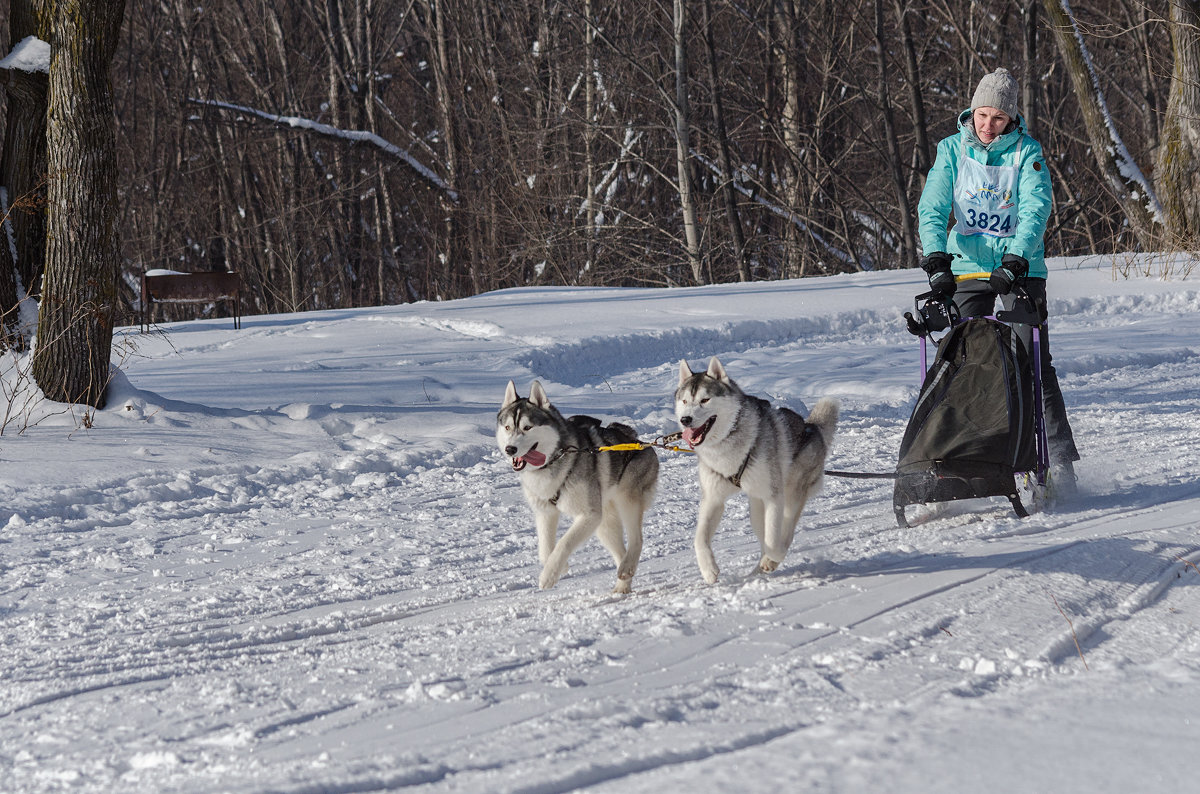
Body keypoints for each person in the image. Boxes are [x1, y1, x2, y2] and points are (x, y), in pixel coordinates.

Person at [916, 67, 1080, 494]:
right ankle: (961, 461)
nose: (989, 126)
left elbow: (1036, 209)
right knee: (963, 363)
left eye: (999, 118)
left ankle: (1060, 462)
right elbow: (932, 206)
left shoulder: (1027, 153)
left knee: (1031, 364)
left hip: (1019, 270)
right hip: (967, 267)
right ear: (972, 111)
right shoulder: (951, 149)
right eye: (983, 115)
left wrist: (1016, 259)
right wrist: (936, 259)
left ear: (1012, 120)